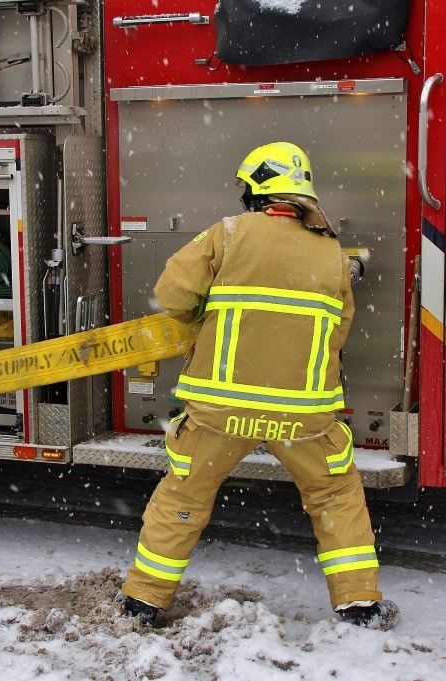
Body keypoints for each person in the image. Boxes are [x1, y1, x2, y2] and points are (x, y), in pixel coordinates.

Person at [118, 142, 398, 630]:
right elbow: (338, 333)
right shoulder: (333, 255)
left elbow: (172, 295)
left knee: (184, 497)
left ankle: (144, 600)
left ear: (255, 190)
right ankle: (358, 604)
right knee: (335, 496)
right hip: (303, 417)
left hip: (218, 411)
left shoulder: (227, 234)